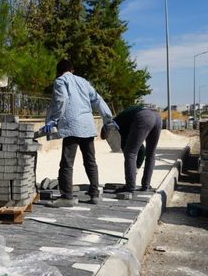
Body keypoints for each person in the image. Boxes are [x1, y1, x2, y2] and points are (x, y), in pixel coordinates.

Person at [42, 59, 114, 207]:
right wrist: (108, 118)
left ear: (58, 71)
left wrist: (53, 120)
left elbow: (62, 100)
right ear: (72, 70)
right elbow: (97, 100)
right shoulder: (83, 82)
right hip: (87, 125)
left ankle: (67, 197)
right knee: (90, 161)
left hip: (71, 125)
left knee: (67, 163)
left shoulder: (60, 81)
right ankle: (95, 195)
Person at [104, 105, 162, 193]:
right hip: (157, 117)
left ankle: (130, 187)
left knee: (130, 153)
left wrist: (135, 169)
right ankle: (146, 186)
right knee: (151, 153)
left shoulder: (117, 125)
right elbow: (141, 149)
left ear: (109, 131)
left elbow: (139, 151)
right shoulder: (122, 123)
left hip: (144, 116)